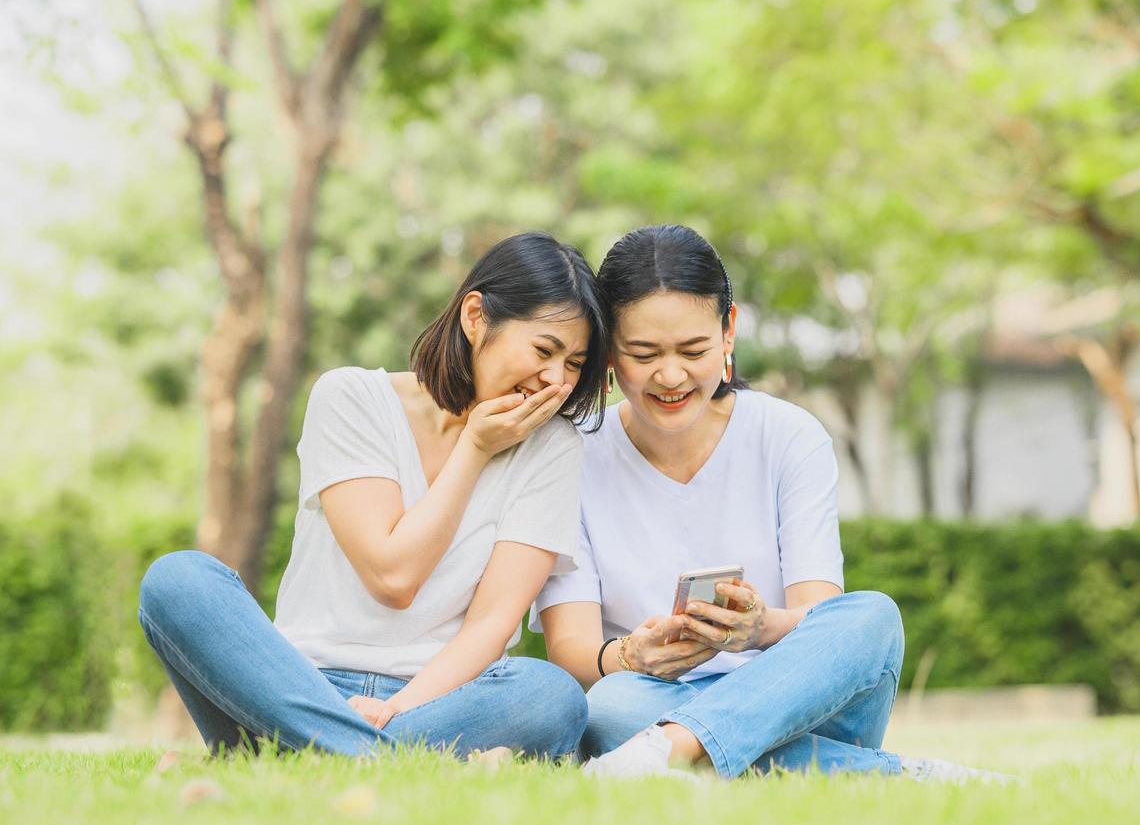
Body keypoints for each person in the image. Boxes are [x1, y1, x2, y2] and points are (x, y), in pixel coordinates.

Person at [534, 224, 1015, 782]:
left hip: (791, 703)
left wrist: (760, 628)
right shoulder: (571, 459)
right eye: (643, 354)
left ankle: (675, 750)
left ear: (729, 331)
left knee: (873, 616)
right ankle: (892, 777)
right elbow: (572, 652)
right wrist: (631, 657)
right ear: (608, 351)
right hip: (651, 698)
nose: (671, 375)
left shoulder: (789, 436)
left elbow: (822, 620)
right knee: (608, 709)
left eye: (693, 350)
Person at [138, 232, 605, 759]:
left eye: (574, 364)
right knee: (177, 581)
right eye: (545, 351)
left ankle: (319, 755)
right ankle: (369, 755)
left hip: (437, 703)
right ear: (475, 317)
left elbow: (491, 625)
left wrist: (399, 709)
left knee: (553, 696)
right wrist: (474, 448)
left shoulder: (553, 448)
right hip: (292, 690)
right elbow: (393, 577)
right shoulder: (351, 398)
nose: (555, 381)